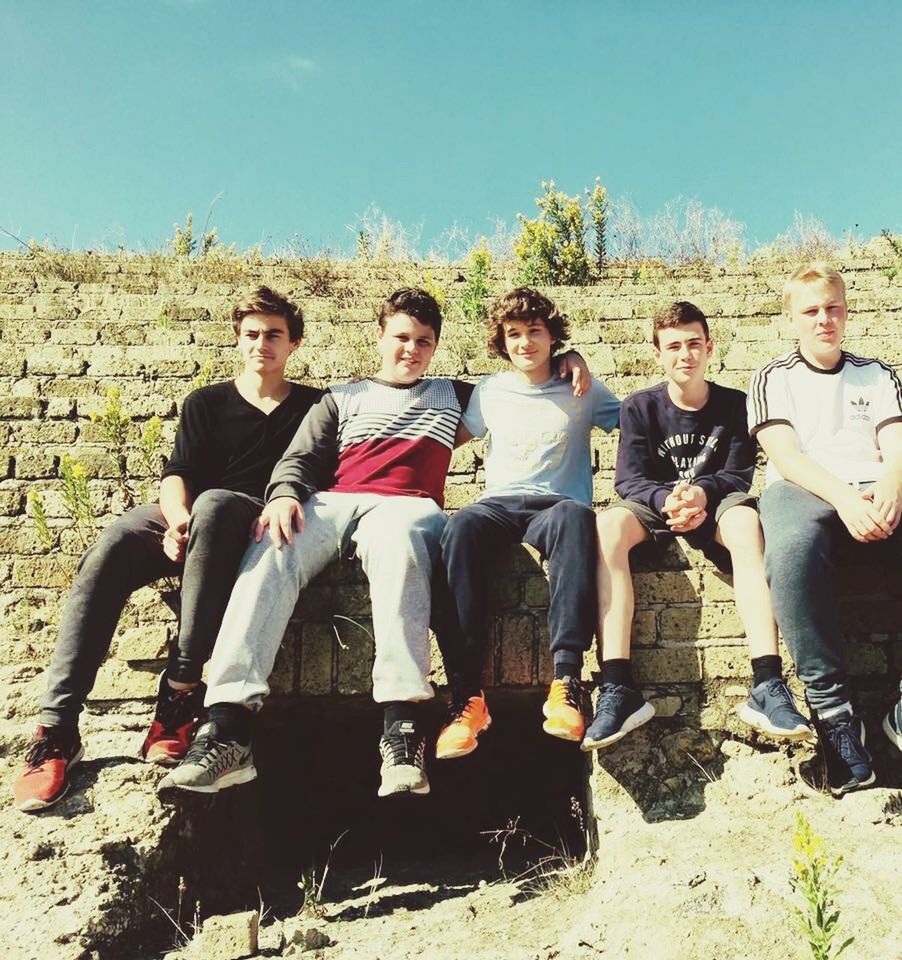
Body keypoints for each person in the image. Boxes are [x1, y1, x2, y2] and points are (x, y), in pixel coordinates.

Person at [13, 286, 320, 812]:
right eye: (251, 334)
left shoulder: (315, 405)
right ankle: (57, 727)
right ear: (237, 339)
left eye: (273, 335)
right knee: (112, 545)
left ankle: (179, 694)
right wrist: (178, 522)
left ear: (293, 343)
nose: (261, 344)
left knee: (219, 505)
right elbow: (177, 475)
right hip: (190, 510)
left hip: (254, 516)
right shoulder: (207, 402)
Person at [158, 288, 469, 800]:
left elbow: (524, 388)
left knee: (402, 542)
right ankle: (228, 727)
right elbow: (300, 458)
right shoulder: (340, 397)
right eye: (401, 337)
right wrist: (282, 495)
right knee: (272, 542)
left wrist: (567, 359)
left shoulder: (455, 395)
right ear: (380, 335)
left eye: (423, 341)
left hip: (406, 504)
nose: (410, 349)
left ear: (435, 347)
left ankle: (402, 725)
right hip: (334, 500)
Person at [587, 301, 812, 751]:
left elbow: (737, 475)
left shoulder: (735, 405)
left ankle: (768, 683)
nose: (684, 354)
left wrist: (701, 495)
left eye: (693, 343)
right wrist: (667, 499)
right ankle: (617, 687)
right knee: (606, 526)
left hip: (715, 500)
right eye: (673, 346)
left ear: (710, 347)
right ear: (657, 354)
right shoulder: (639, 407)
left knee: (748, 524)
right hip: (656, 503)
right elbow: (629, 480)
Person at [433, 287, 620, 760]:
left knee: (579, 519)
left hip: (556, 504)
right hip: (497, 503)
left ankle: (566, 682)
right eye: (513, 334)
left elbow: (633, 422)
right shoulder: (491, 390)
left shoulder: (583, 388)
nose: (524, 343)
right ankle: (467, 698)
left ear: (553, 335)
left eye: (534, 331)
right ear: (501, 341)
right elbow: (447, 440)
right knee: (458, 529)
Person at [749, 263, 902, 794]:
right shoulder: (774, 377)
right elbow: (786, 457)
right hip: (805, 488)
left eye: (832, 308)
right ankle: (835, 716)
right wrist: (844, 498)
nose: (824, 319)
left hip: (874, 482)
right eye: (810, 311)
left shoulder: (876, 373)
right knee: (790, 550)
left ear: (846, 311)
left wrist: (889, 487)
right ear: (791, 318)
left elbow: (896, 445)